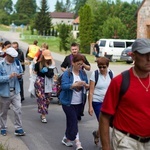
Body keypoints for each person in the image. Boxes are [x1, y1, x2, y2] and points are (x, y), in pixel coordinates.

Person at [99, 38, 150, 150]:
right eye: (144, 54)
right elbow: (104, 117)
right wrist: (106, 147)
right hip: (126, 142)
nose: (149, 58)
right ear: (133, 56)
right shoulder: (120, 81)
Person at [59, 54, 89, 150]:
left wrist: (86, 85)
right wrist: (74, 85)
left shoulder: (83, 73)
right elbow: (63, 86)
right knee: (74, 122)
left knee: (71, 122)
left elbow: (86, 84)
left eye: (82, 64)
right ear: (73, 63)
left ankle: (66, 138)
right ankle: (78, 143)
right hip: (68, 102)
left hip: (79, 102)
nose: (80, 66)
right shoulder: (67, 73)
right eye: (78, 64)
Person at [61, 42, 91, 120]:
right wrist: (67, 72)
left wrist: (82, 64)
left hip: (80, 77)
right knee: (72, 122)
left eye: (75, 49)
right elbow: (62, 67)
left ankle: (79, 112)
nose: (74, 51)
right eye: (72, 49)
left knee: (81, 96)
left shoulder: (83, 58)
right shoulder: (68, 58)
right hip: (70, 77)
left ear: (78, 49)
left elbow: (89, 68)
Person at [88, 57, 114, 146]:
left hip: (108, 102)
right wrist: (90, 106)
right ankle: (105, 146)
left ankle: (97, 134)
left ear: (107, 66)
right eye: (100, 67)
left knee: (107, 122)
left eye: (104, 67)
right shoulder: (95, 74)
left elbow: (113, 89)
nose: (102, 69)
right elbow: (91, 92)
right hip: (97, 101)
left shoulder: (111, 73)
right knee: (103, 123)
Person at [0, 47, 26, 136]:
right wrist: (9, 77)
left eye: (15, 57)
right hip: (4, 92)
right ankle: (2, 128)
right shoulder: (1, 64)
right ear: (7, 55)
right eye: (12, 57)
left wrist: (19, 76)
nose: (14, 59)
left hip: (16, 90)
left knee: (18, 109)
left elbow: (21, 72)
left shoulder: (17, 62)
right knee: (3, 111)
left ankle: (18, 128)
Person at [34, 50, 55, 123]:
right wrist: (41, 72)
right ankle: (43, 115)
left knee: (48, 99)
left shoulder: (51, 64)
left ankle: (43, 111)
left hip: (48, 82)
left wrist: (48, 71)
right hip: (40, 82)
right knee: (42, 98)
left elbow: (51, 75)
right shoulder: (38, 64)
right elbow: (36, 73)